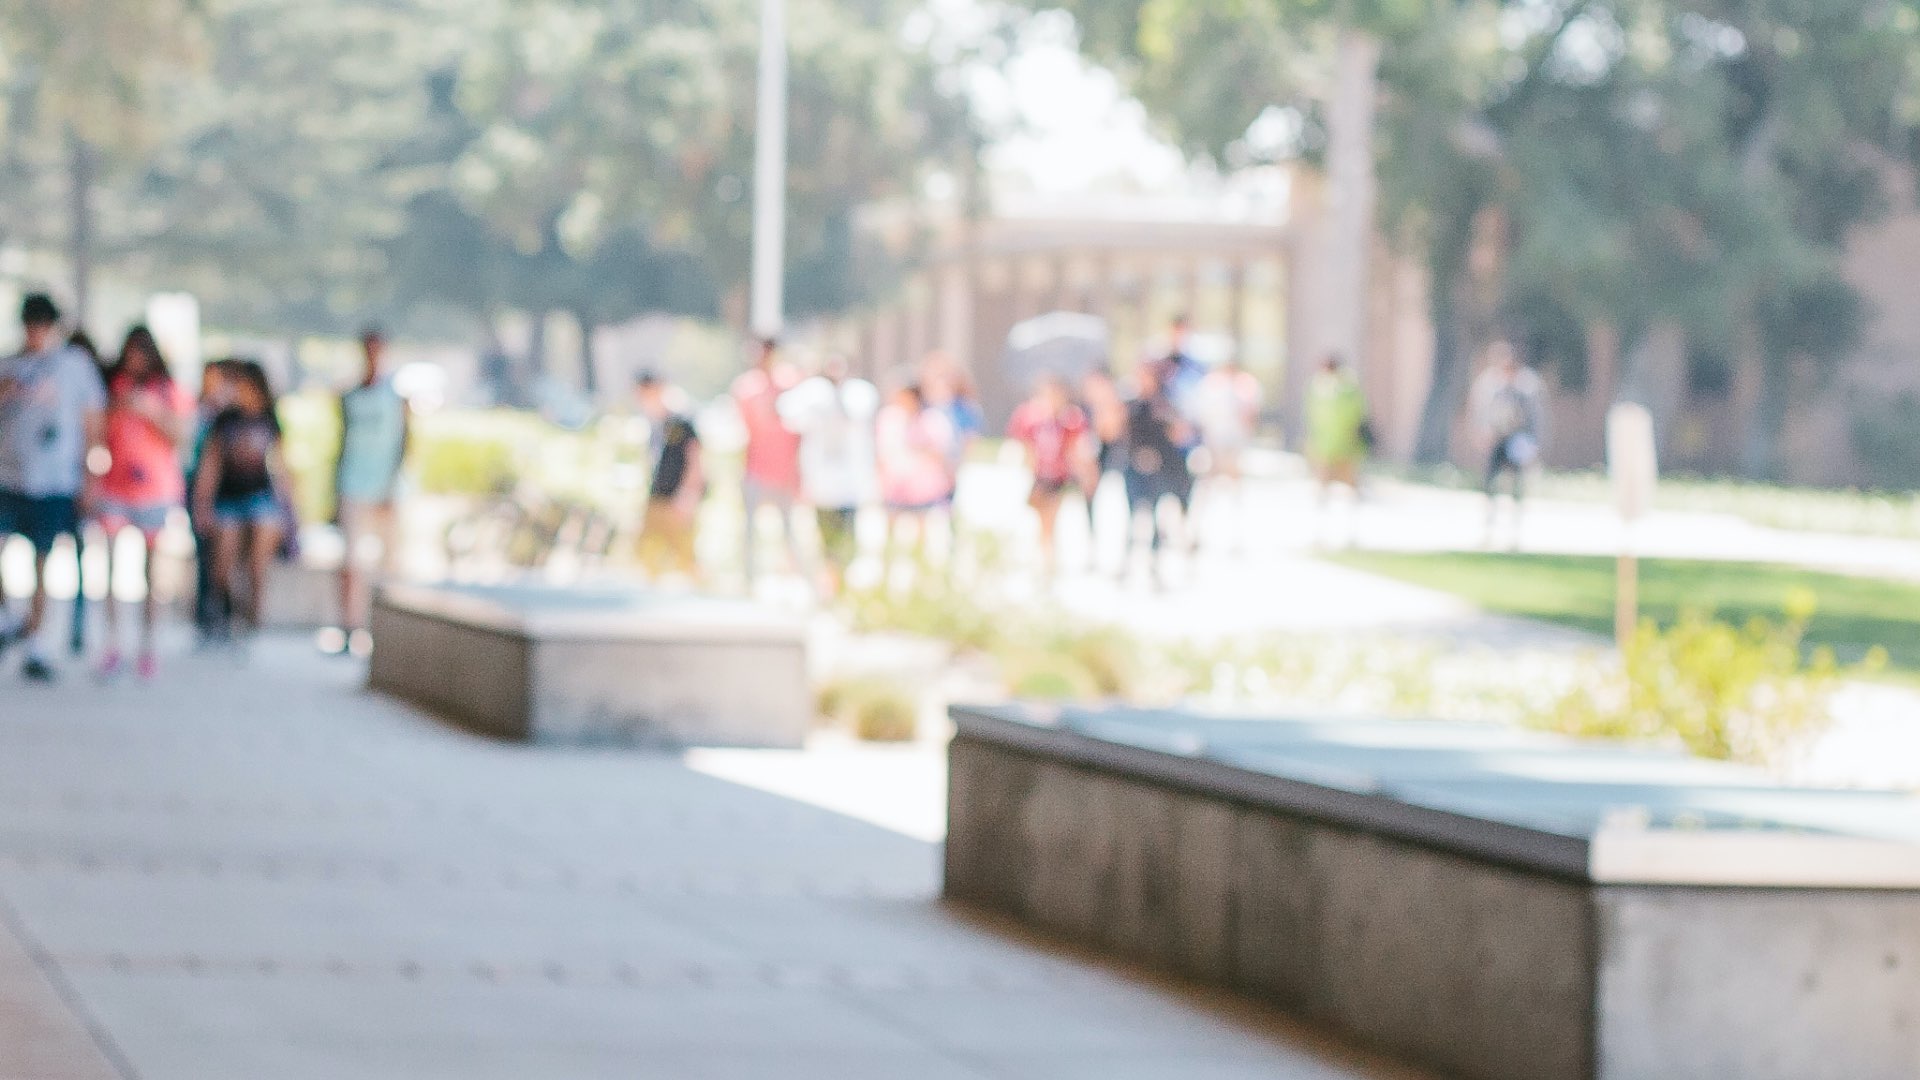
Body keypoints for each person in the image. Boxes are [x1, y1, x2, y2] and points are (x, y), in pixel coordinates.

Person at [0, 294, 106, 681]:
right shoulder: (9, 365)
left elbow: (92, 422)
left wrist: (91, 477)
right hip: (9, 474)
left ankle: (36, 644)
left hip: (56, 477)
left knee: (43, 561)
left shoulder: (74, 366)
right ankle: (8, 619)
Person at [93, 327, 191, 679]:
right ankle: (113, 644)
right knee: (111, 572)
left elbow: (182, 436)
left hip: (154, 491)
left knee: (152, 573)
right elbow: (96, 431)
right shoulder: (113, 387)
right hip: (116, 487)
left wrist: (151, 411)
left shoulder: (167, 391)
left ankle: (149, 647)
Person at [192, 360, 295, 642]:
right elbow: (210, 466)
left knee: (257, 563)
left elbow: (282, 468)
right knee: (222, 563)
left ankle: (253, 621)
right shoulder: (225, 420)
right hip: (228, 499)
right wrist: (202, 504)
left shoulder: (269, 420)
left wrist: (290, 513)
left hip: (260, 498)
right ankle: (228, 612)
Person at [332, 328, 410, 654]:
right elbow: (342, 442)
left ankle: (385, 633)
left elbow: (407, 441)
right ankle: (350, 627)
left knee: (388, 563)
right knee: (351, 562)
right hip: (353, 484)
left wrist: (393, 485)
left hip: (385, 488)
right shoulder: (350, 395)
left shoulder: (396, 396)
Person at [777, 355, 878, 598]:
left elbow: (860, 415)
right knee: (823, 538)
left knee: (847, 540)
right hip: (822, 486)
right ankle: (826, 586)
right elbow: (787, 411)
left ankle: (840, 585)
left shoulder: (858, 394)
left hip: (850, 486)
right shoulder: (815, 395)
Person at [730, 338, 803, 585]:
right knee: (750, 528)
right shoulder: (746, 388)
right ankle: (748, 579)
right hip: (756, 468)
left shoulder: (790, 383)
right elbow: (742, 431)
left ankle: (797, 579)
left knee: (789, 528)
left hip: (785, 470)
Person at [1007, 375, 1088, 578]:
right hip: (1039, 477)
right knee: (1040, 520)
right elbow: (1026, 447)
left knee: (1050, 521)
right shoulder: (1033, 419)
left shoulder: (1069, 421)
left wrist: (1084, 474)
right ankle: (1044, 559)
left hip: (1058, 478)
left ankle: (1048, 562)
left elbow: (1074, 451)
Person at [1122, 359, 1194, 586]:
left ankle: (1155, 562)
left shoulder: (1165, 405)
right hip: (1134, 467)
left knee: (1158, 517)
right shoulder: (1131, 404)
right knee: (1133, 515)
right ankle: (1128, 562)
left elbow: (1179, 434)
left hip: (1161, 468)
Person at [1472, 339, 1545, 547]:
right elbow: (1481, 413)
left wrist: (1535, 443)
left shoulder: (1526, 387)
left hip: (1517, 440)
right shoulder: (1489, 385)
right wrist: (1481, 434)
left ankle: (1515, 531)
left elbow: (1536, 417)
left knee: (1516, 486)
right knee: (1490, 483)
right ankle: (1489, 527)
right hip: (1497, 439)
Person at [874, 382, 955, 566]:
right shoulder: (890, 419)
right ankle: (888, 566)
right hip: (895, 485)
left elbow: (941, 453)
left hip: (922, 487)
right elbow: (882, 452)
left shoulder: (931, 420)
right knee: (890, 528)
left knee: (921, 530)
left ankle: (920, 567)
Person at [635, 371, 704, 582]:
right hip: (657, 494)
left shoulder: (681, 422)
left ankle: (699, 589)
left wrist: (689, 493)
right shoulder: (654, 424)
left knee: (684, 550)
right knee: (647, 546)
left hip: (677, 495)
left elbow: (695, 460)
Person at [186, 360, 236, 642]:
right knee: (204, 553)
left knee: (222, 558)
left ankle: (223, 615)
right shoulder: (200, 412)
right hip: (198, 487)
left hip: (224, 492)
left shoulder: (230, 416)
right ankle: (205, 615)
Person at [1191, 355, 1261, 550]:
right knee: (1206, 490)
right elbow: (1202, 417)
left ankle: (1235, 537)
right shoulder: (1211, 386)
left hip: (1233, 447)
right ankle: (1197, 532)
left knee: (1235, 493)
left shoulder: (1245, 386)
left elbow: (1250, 416)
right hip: (1215, 445)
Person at [1305, 353, 1370, 545]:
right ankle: (1325, 532)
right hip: (1330, 446)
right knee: (1327, 491)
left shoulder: (1341, 389)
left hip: (1341, 446)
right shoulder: (1325, 388)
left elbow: (1358, 416)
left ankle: (1347, 533)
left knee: (1345, 490)